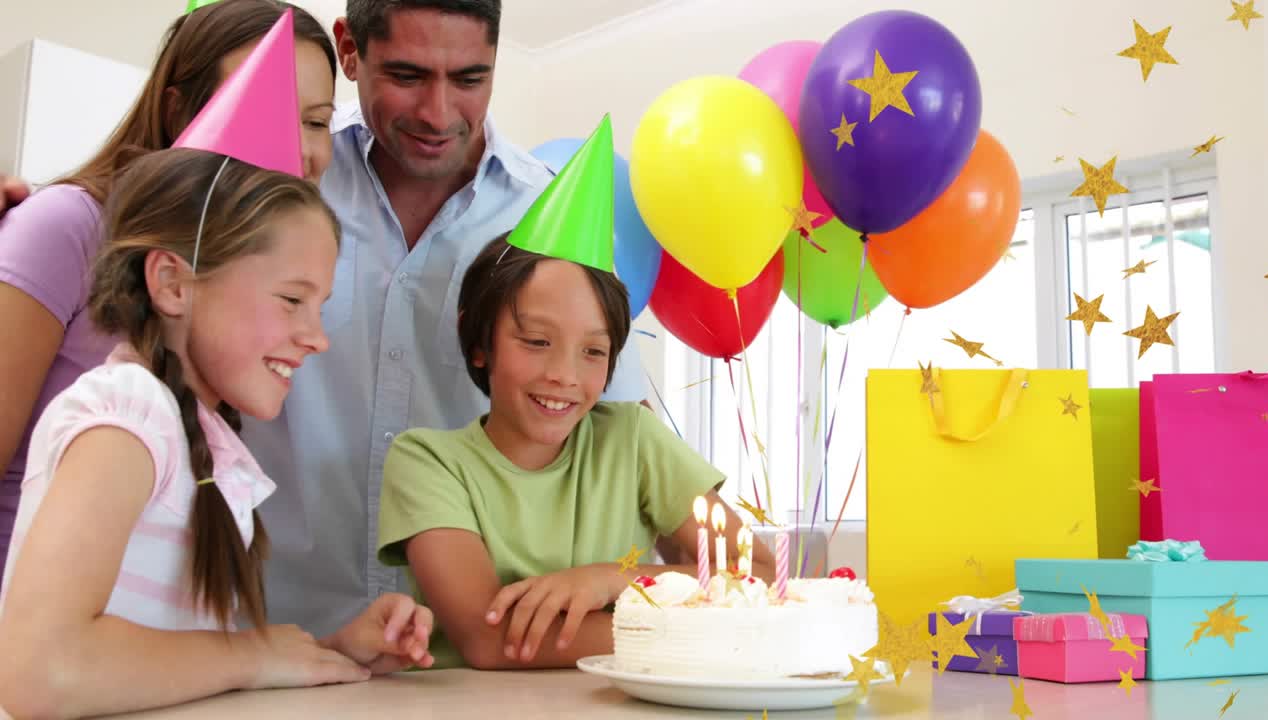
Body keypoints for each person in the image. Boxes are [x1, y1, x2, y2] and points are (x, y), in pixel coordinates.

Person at [241, 0, 653, 638]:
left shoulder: (546, 214)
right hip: (276, 635)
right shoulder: (290, 174)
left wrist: (619, 580)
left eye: (469, 79)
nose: (437, 114)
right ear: (349, 50)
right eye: (407, 75)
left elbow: (621, 438)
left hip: (477, 654)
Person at [0, 148, 432, 719]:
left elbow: (170, 666)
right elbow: (37, 671)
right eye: (292, 300)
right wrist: (253, 654)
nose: (317, 337)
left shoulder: (197, 438)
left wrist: (324, 654)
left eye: (320, 307)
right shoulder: (127, 415)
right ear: (172, 284)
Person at [376, 120, 774, 670]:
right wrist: (693, 625)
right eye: (537, 341)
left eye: (592, 351)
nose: (564, 375)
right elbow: (489, 640)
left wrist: (616, 580)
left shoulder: (633, 440)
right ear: (480, 341)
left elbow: (761, 578)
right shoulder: (428, 463)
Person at [0, 0, 338, 579]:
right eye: (264, 110)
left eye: (316, 122)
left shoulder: (238, 288)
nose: (297, 152)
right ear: (178, 109)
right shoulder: (65, 225)